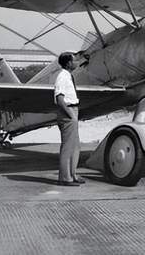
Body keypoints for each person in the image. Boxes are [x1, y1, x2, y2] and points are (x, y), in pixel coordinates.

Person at [54, 52, 85, 186]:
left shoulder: (68, 76)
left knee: (75, 146)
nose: (77, 62)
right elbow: (59, 99)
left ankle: (72, 175)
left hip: (73, 110)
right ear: (68, 63)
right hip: (67, 112)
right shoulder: (62, 76)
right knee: (67, 146)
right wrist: (71, 115)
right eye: (74, 60)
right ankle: (64, 178)